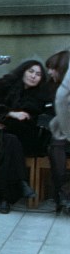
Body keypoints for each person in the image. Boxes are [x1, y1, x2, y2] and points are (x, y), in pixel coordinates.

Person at [0, 60, 51, 214]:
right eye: (31, 71)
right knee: (9, 141)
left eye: (38, 74)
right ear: (23, 71)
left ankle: (5, 198)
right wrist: (10, 114)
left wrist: (8, 122)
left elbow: (36, 121)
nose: (33, 76)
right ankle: (21, 182)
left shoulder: (40, 95)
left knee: (10, 141)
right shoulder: (5, 84)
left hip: (21, 139)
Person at [49, 50, 70, 215]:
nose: (50, 72)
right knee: (57, 144)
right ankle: (62, 193)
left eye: (53, 68)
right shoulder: (51, 86)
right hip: (58, 135)